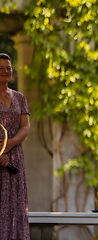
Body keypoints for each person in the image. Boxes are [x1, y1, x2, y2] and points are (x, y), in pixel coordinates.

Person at [0, 53, 31, 239]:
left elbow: (26, 127)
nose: (5, 71)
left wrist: (8, 145)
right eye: (1, 68)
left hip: (15, 157)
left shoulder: (20, 97)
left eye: (8, 67)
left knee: (16, 205)